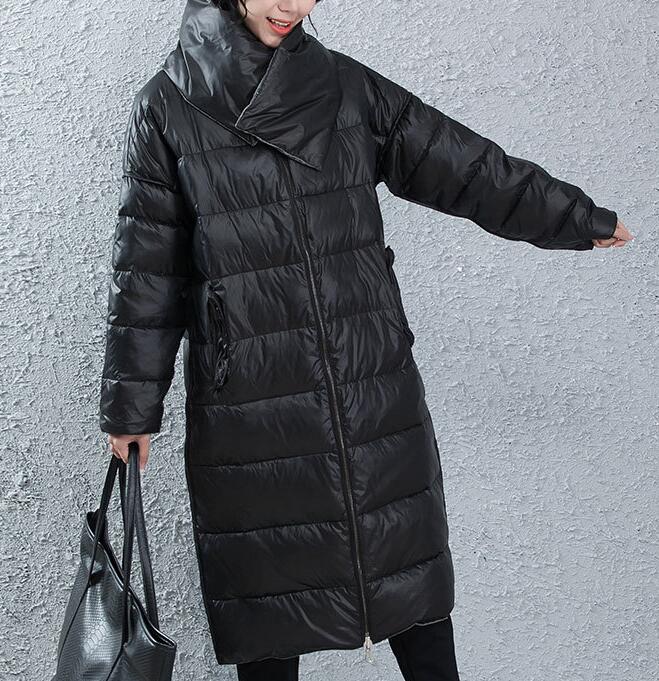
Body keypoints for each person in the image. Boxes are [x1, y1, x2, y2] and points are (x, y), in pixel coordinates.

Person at [98, 1, 632, 679]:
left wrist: (571, 215)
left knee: (413, 591)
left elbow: (461, 164)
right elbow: (148, 270)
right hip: (253, 405)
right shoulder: (166, 108)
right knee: (270, 612)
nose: (294, 6)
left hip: (370, 385)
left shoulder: (343, 86)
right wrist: (131, 409)